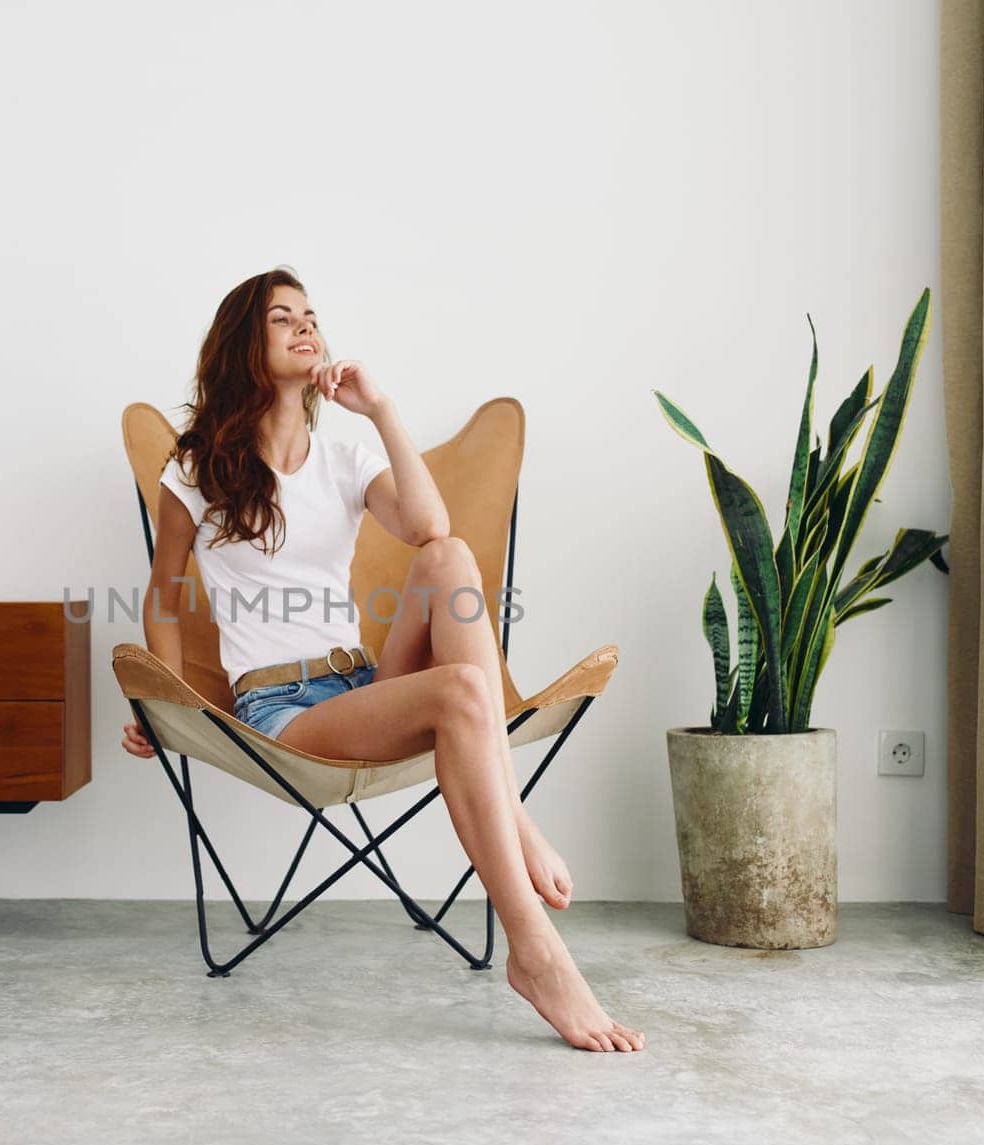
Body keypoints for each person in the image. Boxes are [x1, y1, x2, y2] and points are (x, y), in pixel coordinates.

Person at [120, 267, 645, 1054]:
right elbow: (163, 595)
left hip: (364, 686)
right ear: (243, 344)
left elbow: (430, 527)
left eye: (312, 316)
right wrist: (160, 704)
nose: (306, 327)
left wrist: (383, 409)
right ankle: (534, 949)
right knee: (467, 690)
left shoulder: (343, 455)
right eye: (281, 318)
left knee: (451, 558)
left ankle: (514, 827)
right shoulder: (197, 468)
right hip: (283, 716)